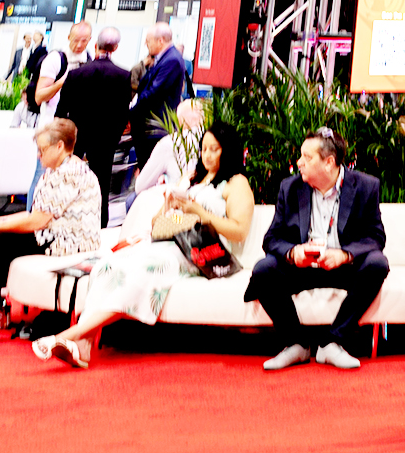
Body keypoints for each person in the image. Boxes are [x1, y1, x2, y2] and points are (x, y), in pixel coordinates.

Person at [33, 121, 254, 368]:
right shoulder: (193, 179)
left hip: (201, 252)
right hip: (169, 241)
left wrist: (200, 212)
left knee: (144, 269)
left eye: (214, 149)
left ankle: (69, 335)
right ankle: (83, 345)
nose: (207, 155)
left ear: (228, 149)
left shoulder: (236, 183)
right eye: (204, 149)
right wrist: (169, 208)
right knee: (109, 265)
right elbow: (159, 223)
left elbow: (239, 231)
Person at [245, 128, 388, 372]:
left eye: (307, 157)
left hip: (341, 267)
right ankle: (296, 343)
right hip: (302, 268)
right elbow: (272, 239)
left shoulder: (365, 186)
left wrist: (345, 254)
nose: (299, 163)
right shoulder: (290, 188)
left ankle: (333, 342)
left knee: (377, 264)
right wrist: (294, 253)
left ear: (329, 162)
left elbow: (376, 236)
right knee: (264, 269)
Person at [0, 119, 101, 326]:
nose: (39, 155)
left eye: (42, 150)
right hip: (56, 237)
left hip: (65, 244)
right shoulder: (65, 168)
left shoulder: (68, 174)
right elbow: (36, 215)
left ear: (59, 146)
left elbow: (37, 220)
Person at [56, 27, 134, 226]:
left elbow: (61, 110)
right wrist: (114, 137)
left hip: (76, 139)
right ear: (115, 48)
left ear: (95, 45)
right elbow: (123, 112)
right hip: (105, 140)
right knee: (101, 185)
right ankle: (99, 225)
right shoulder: (123, 76)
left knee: (69, 183)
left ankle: (65, 221)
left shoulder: (76, 74)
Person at [130, 24, 187, 171]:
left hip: (155, 127)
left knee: (150, 173)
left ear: (160, 40)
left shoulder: (172, 60)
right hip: (151, 126)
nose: (145, 44)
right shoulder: (164, 59)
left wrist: (131, 112)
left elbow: (154, 93)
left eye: (148, 40)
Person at [133, 98, 205, 195]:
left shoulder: (169, 142)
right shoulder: (212, 140)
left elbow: (140, 187)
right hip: (205, 197)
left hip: (180, 200)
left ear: (179, 123)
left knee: (131, 199)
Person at [32, 23, 93, 123]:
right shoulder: (55, 58)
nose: (79, 45)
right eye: (76, 40)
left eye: (84, 41)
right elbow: (39, 97)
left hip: (78, 125)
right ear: (69, 37)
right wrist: (63, 81)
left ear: (89, 40)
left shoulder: (90, 60)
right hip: (51, 123)